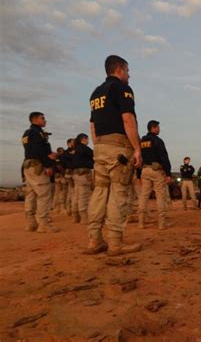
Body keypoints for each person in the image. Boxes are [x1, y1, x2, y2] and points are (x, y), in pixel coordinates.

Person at [85, 55, 142, 256]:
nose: (129, 74)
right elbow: (128, 119)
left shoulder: (95, 93)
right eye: (127, 70)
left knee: (99, 193)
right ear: (119, 69)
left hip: (100, 147)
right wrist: (137, 148)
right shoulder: (122, 89)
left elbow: (92, 125)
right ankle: (116, 244)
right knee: (119, 194)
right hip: (118, 148)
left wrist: (98, 145)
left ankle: (94, 241)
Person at [21, 112, 59, 232]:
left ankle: (31, 223)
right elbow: (39, 150)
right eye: (43, 118)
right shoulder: (37, 133)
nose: (45, 120)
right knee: (44, 194)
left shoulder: (27, 133)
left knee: (31, 194)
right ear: (35, 119)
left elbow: (32, 150)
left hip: (28, 166)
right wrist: (48, 164)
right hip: (37, 166)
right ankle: (43, 224)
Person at [137, 120, 172, 229]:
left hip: (144, 170)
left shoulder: (142, 141)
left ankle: (141, 223)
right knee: (160, 196)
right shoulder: (157, 140)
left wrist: (138, 175)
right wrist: (168, 173)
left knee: (144, 197)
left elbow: (139, 158)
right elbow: (164, 157)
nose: (159, 129)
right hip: (156, 171)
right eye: (158, 127)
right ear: (153, 128)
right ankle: (161, 224)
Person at [71, 133, 94, 225]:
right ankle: (84, 218)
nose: (88, 141)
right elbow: (94, 156)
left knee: (76, 196)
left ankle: (75, 216)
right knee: (84, 196)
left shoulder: (75, 149)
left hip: (76, 174)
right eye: (87, 139)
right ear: (83, 139)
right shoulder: (84, 148)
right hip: (84, 174)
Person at [61, 139, 75, 216]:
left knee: (70, 192)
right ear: (69, 143)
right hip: (70, 173)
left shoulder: (67, 153)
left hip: (69, 173)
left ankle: (69, 209)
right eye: (73, 142)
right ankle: (71, 210)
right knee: (72, 192)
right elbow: (62, 165)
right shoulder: (67, 153)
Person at [52, 147, 67, 213]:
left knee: (57, 192)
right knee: (62, 192)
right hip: (60, 176)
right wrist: (64, 174)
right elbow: (59, 167)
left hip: (57, 176)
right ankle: (61, 207)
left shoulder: (56, 158)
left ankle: (56, 207)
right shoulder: (58, 158)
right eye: (62, 151)